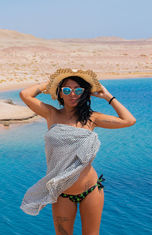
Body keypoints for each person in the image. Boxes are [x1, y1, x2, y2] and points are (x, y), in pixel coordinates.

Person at [19, 68, 136, 235]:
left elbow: (129, 120)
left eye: (78, 90)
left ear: (84, 93)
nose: (72, 94)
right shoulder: (51, 114)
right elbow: (25, 94)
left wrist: (107, 96)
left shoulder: (91, 118)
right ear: (60, 93)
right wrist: (50, 84)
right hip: (62, 192)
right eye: (67, 90)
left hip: (91, 190)